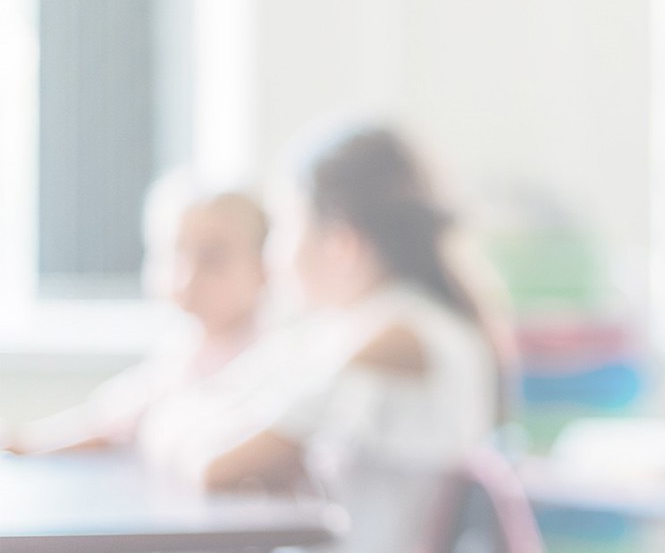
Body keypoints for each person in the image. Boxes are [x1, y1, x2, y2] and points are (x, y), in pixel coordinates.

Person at [142, 123, 517, 553]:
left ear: (341, 242)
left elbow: (214, 464)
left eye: (283, 229)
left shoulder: (392, 338)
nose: (274, 257)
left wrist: (172, 426)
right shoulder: (377, 329)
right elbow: (208, 402)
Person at [5, 173, 269, 454]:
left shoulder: (271, 360)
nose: (187, 278)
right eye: (175, 252)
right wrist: (23, 442)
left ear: (264, 265)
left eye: (212, 258)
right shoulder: (183, 351)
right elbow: (108, 419)